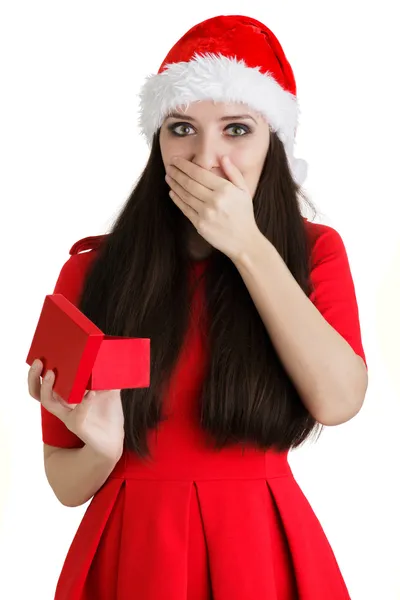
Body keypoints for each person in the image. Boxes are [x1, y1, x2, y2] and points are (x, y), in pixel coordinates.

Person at [27, 14, 368, 600]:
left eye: (237, 130)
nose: (204, 157)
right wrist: (103, 449)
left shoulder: (314, 254)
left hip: (262, 552)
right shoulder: (89, 272)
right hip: (129, 554)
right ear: (158, 141)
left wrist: (247, 246)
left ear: (274, 145)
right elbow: (64, 481)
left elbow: (339, 402)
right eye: (181, 128)